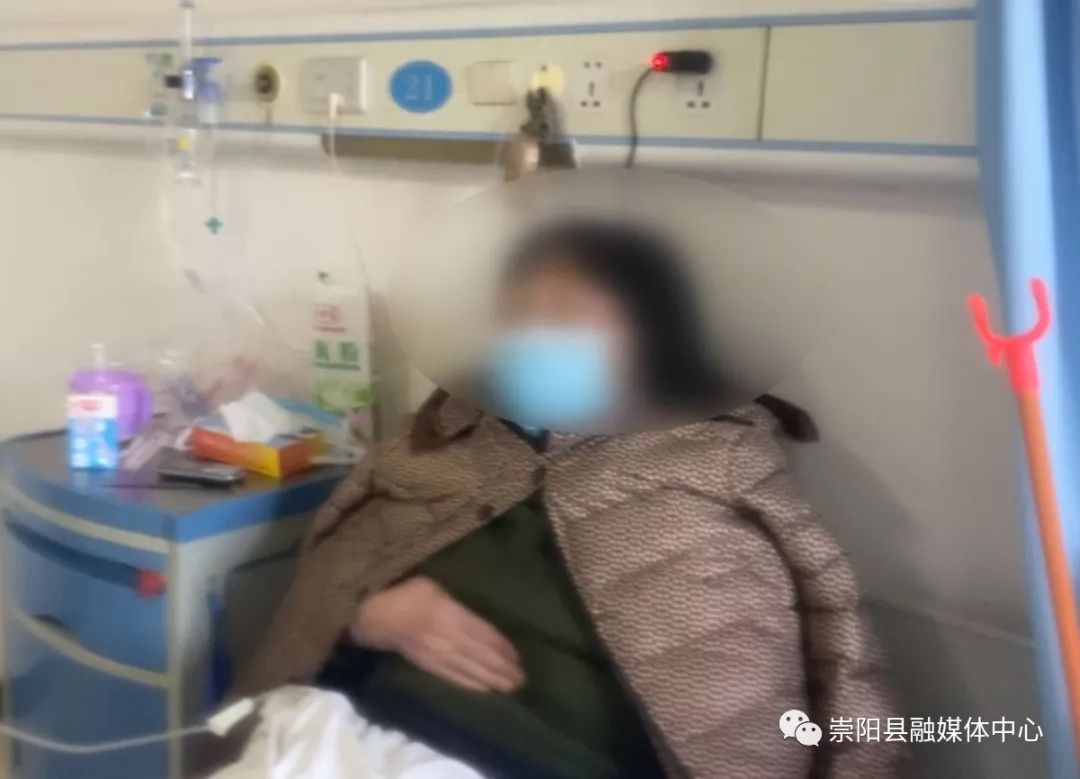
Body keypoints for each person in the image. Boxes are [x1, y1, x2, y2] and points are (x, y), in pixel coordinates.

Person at [222, 219, 905, 779]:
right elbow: (315, 608)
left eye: (568, 315)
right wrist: (366, 617)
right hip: (357, 736)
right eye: (518, 315)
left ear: (651, 336)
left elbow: (840, 652)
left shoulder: (713, 460)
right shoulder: (435, 438)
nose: (535, 336)